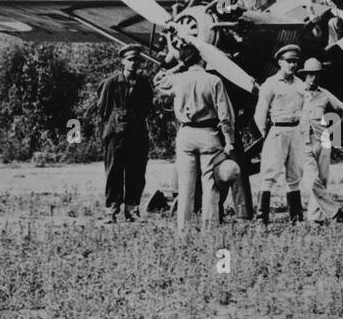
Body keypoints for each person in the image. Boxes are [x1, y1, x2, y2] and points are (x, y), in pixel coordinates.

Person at [167, 42, 237, 231]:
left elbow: (158, 80)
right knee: (210, 185)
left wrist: (180, 64)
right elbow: (225, 116)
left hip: (186, 133)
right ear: (202, 59)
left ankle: (183, 230)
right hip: (209, 134)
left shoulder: (178, 79)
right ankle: (209, 230)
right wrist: (229, 141)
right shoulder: (214, 81)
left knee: (185, 187)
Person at [96, 44, 154, 223]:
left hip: (137, 134)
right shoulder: (111, 83)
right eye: (130, 60)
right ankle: (111, 211)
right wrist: (114, 125)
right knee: (114, 172)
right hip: (115, 134)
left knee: (136, 172)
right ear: (122, 61)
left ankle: (132, 210)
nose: (133, 63)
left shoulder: (144, 83)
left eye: (137, 60)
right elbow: (102, 109)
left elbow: (147, 108)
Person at [253, 44, 308, 225]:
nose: (292, 65)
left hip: (295, 131)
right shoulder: (270, 84)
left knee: (294, 174)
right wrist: (266, 133)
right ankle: (262, 219)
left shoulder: (301, 85)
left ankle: (296, 218)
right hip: (277, 130)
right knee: (269, 173)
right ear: (280, 62)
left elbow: (305, 110)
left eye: (295, 62)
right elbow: (260, 114)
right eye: (288, 61)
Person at [298, 58, 343, 223]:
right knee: (312, 180)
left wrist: (332, 130)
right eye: (310, 75)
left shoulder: (324, 94)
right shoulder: (297, 93)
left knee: (322, 181)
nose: (313, 78)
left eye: (317, 75)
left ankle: (315, 220)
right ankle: (335, 212)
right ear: (305, 75)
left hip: (322, 142)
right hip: (303, 144)